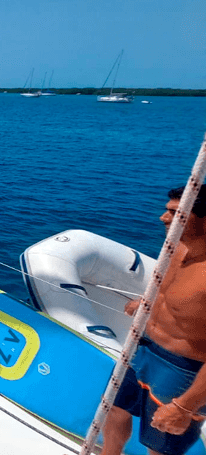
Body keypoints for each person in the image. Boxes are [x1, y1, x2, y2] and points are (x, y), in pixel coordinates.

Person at [102, 186, 206, 455]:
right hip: (145, 348)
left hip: (184, 369)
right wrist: (148, 304)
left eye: (175, 212)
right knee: (114, 411)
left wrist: (185, 407)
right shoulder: (176, 246)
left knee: (161, 442)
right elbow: (174, 292)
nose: (163, 217)